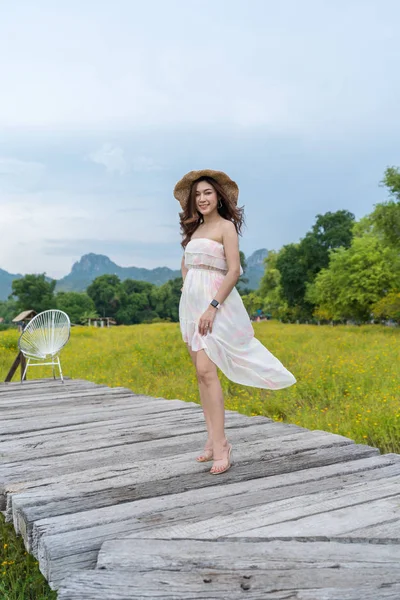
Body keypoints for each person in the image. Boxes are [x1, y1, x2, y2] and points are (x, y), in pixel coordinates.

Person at [174, 169, 296, 475]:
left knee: (206, 370)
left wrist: (212, 305)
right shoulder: (193, 230)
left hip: (215, 306)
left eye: (207, 193)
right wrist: (187, 288)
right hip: (191, 306)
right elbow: (186, 265)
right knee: (201, 376)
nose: (202, 199)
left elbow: (234, 271)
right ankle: (211, 441)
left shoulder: (226, 227)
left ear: (218, 197)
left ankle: (222, 443)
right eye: (197, 195)